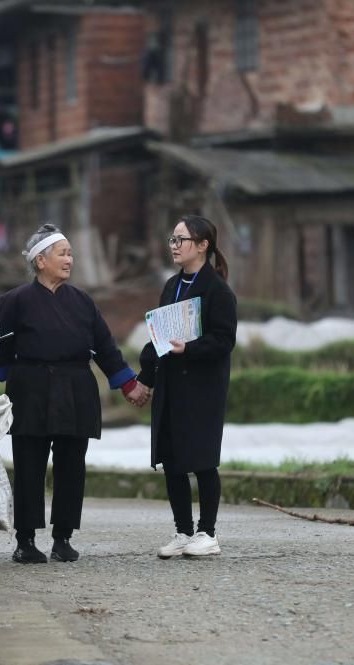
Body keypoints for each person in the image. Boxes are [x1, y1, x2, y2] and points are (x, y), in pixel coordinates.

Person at [0, 223, 148, 564]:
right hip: (30, 389)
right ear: (40, 261)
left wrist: (128, 384)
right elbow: (0, 348)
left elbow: (106, 347)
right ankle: (25, 540)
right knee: (29, 465)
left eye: (70, 253)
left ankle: (63, 537)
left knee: (71, 465)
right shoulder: (14, 301)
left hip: (76, 387)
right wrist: (4, 377)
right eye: (63, 253)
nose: (70, 259)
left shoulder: (82, 302)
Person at [137, 214, 237, 559]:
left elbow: (224, 341)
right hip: (170, 386)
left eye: (181, 240)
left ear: (203, 245)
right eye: (173, 240)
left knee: (203, 460)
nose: (175, 246)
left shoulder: (217, 290)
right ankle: (182, 530)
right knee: (173, 459)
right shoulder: (171, 285)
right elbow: (158, 335)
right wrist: (145, 378)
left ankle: (207, 532)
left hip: (202, 388)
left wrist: (189, 349)